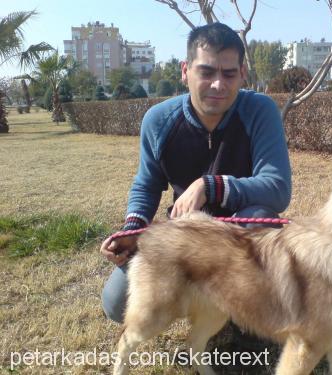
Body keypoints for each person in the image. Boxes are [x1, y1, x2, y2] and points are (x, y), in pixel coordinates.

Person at [100, 22, 291, 325]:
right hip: (186, 236)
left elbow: (277, 188)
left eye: (229, 73)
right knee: (116, 304)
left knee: (259, 221)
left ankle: (248, 318)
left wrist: (210, 186)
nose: (218, 84)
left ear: (243, 73)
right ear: (185, 70)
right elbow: (147, 185)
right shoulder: (158, 121)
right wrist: (133, 228)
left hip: (240, 229)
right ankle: (206, 299)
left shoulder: (260, 111)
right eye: (206, 72)